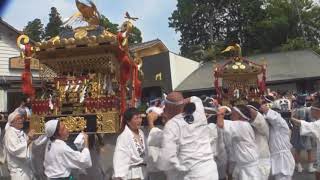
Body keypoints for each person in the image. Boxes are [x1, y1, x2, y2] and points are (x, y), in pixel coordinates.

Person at [147, 92, 218, 180]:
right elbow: (194, 98)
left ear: (168, 107)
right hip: (210, 171)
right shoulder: (198, 112)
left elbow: (164, 161)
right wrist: (177, 104)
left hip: (192, 175)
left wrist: (150, 122)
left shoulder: (172, 125)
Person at [217, 105, 260, 180]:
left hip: (249, 169)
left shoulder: (241, 125)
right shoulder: (244, 124)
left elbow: (220, 124)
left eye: (234, 114)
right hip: (245, 166)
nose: (231, 116)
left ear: (240, 115)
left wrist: (221, 111)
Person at [260, 100, 295, 180]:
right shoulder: (272, 127)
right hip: (276, 157)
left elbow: (276, 119)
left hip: (283, 159)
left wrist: (266, 109)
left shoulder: (281, 124)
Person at [113, 107, 147, 180]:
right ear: (128, 121)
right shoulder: (123, 137)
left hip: (144, 171)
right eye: (136, 118)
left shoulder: (141, 133)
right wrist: (119, 176)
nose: (139, 120)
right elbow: (119, 157)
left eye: (140, 117)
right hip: (132, 174)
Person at [291, 100, 320, 180]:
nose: (311, 111)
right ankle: (309, 166)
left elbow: (305, 124)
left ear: (318, 111)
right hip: (306, 134)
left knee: (298, 150)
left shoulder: (318, 124)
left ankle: (301, 166)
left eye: (312, 110)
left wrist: (291, 118)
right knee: (309, 150)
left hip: (300, 133)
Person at [4, 109, 35, 180]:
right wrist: (29, 140)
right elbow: (15, 149)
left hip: (26, 169)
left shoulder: (21, 132)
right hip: (18, 172)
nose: (21, 120)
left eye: (21, 118)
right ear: (12, 122)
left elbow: (28, 143)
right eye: (18, 119)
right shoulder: (10, 133)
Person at [247, 102, 271, 180]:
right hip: (248, 160)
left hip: (261, 160)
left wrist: (242, 109)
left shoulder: (262, 120)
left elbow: (252, 112)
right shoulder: (245, 123)